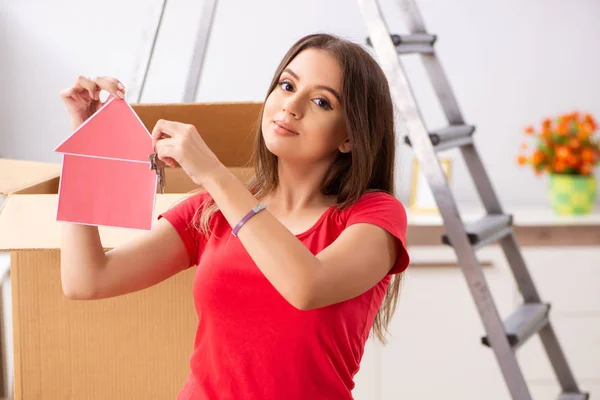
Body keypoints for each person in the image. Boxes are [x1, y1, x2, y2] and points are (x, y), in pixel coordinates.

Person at [59, 33, 410, 399]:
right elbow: (86, 280)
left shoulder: (374, 216)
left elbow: (307, 287)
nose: (291, 106)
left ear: (350, 137)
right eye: (287, 85)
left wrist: (213, 173)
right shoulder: (211, 210)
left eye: (321, 101)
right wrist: (85, 143)